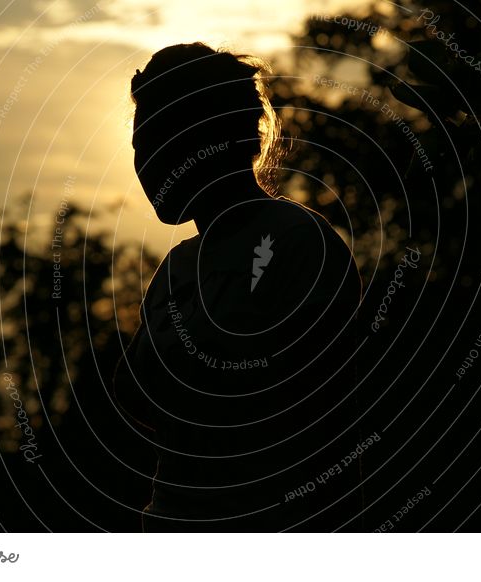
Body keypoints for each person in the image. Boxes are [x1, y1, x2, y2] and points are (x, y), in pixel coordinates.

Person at [113, 42, 365, 531]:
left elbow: (318, 419)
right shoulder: (176, 267)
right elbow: (137, 393)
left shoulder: (299, 243)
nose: (145, 165)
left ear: (207, 136)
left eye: (158, 141)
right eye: (138, 147)